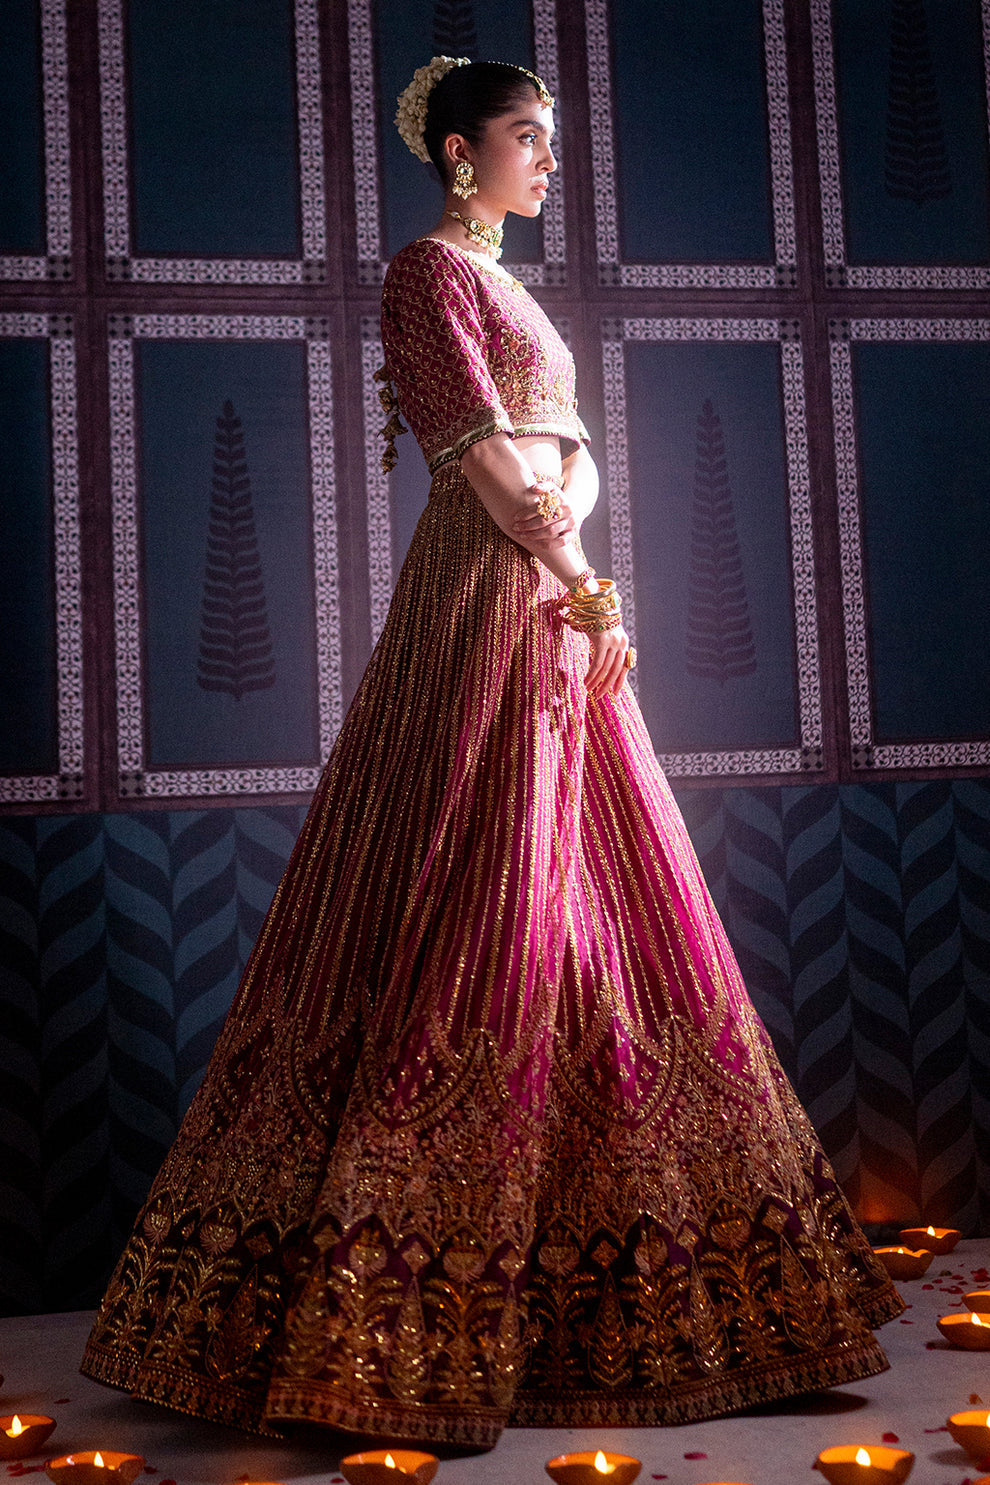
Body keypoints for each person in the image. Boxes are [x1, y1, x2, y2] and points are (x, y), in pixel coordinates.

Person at [81, 57, 902, 1450]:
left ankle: (609, 1280)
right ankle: (388, 1305)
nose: (549, 161)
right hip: (488, 601)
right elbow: (489, 463)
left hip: (549, 596)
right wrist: (588, 587)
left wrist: (580, 563)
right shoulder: (428, 275)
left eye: (551, 139)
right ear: (461, 152)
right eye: (528, 138)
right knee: (478, 878)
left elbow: (566, 452)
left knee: (584, 896)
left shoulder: (511, 289)